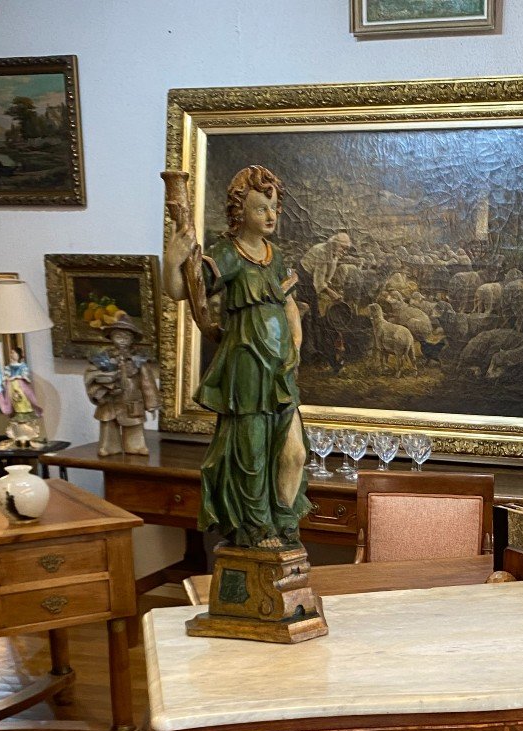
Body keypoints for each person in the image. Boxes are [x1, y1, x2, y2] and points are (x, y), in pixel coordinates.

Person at [163, 164, 310, 550]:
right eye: (261, 208)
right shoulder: (227, 253)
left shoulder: (275, 256)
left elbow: (290, 304)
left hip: (280, 369)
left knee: (293, 452)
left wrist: (294, 343)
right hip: (246, 368)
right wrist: (172, 258)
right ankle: (258, 527)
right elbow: (182, 291)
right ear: (239, 211)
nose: (271, 215)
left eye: (274, 207)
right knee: (253, 452)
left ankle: (283, 517)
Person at [84, 313, 160, 456]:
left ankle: (136, 446)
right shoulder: (103, 359)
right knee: (108, 424)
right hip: (110, 399)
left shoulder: (138, 360)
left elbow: (147, 383)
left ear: (132, 340)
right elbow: (91, 375)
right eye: (118, 337)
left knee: (134, 425)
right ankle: (109, 447)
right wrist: (100, 386)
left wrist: (152, 405)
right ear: (112, 337)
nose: (122, 341)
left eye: (126, 337)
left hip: (131, 400)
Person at [295, 230, 353, 360]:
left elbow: (326, 278)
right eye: (343, 248)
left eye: (346, 249)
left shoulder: (335, 254)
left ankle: (316, 350)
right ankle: (308, 352)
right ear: (335, 244)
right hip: (303, 279)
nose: (344, 251)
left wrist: (331, 289)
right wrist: (331, 293)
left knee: (316, 315)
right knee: (310, 315)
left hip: (313, 281)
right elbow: (318, 283)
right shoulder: (322, 253)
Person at [0, 346, 40, 418]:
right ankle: (16, 412)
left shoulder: (23, 366)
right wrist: (7, 379)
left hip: (21, 386)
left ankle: (25, 411)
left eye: (14, 353)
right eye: (11, 353)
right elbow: (6, 376)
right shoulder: (8, 367)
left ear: (18, 354)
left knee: (23, 398)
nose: (12, 354)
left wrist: (17, 377)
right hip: (11, 386)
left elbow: (25, 376)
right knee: (13, 399)